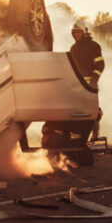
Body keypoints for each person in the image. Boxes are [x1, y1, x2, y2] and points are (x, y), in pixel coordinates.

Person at [42, 20, 104, 165]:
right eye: (74, 32)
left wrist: (94, 79)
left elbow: (100, 64)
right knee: (78, 114)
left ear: (84, 32)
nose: (76, 35)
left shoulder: (94, 46)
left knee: (93, 113)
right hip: (75, 87)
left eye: (78, 32)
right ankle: (78, 140)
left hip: (89, 86)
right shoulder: (73, 48)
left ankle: (94, 138)